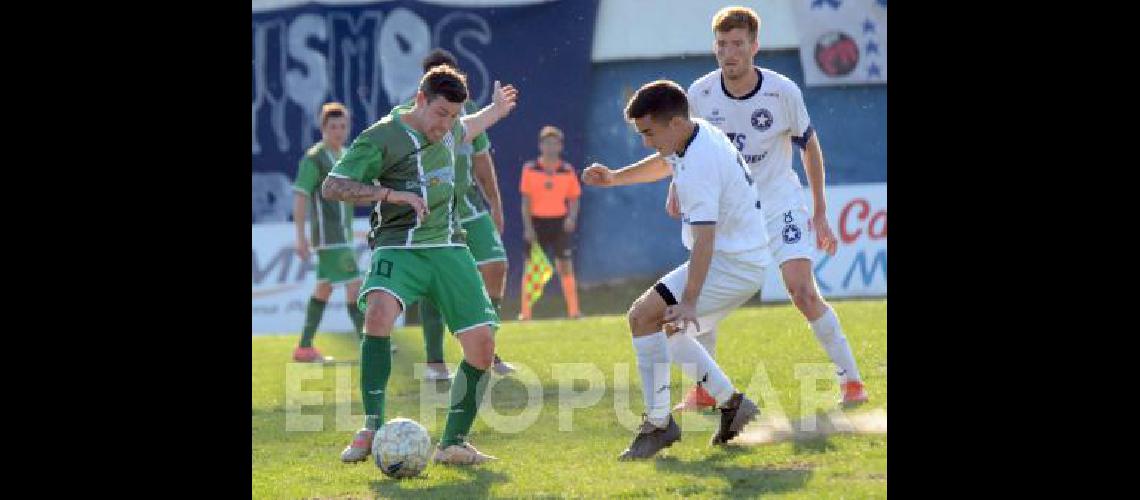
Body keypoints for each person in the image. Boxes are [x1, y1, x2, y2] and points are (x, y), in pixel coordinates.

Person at [630, 6, 868, 409]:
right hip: (731, 212)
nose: (729, 53)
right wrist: (676, 183)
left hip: (778, 204)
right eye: (722, 45)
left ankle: (852, 381)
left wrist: (820, 210)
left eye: (738, 44)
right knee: (702, 290)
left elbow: (808, 145)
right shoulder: (700, 94)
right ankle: (706, 389)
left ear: (755, 46)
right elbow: (682, 147)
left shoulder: (782, 92)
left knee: (801, 290)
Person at [322, 65, 518, 465]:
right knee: (377, 315)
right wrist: (390, 194)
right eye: (441, 113)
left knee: (482, 347)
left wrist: (496, 110)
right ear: (421, 100)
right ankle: (371, 426)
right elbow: (333, 186)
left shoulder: (451, 129)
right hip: (398, 246)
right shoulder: (381, 137)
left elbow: (473, 125)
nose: (446, 126)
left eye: (453, 116)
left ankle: (453, 444)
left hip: (449, 247)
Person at [582, 80, 762, 460]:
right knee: (667, 327)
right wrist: (615, 177)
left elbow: (705, 241)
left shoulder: (698, 164)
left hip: (731, 263)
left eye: (648, 132)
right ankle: (732, 405)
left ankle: (659, 425)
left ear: (675, 122)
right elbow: (664, 163)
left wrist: (691, 300)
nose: (645, 141)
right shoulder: (694, 135)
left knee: (642, 316)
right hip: (740, 259)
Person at [413, 49, 516, 380]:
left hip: (469, 206)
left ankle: (486, 350)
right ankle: (433, 360)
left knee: (496, 266)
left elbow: (482, 161)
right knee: (432, 280)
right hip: (432, 210)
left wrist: (496, 204)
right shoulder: (411, 115)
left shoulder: (470, 113)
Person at [290, 102, 365, 362]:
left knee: (324, 289)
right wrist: (300, 236)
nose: (339, 131)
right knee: (355, 284)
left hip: (341, 235)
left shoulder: (345, 155)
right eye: (333, 127)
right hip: (328, 237)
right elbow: (300, 196)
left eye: (343, 126)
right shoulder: (315, 158)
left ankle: (304, 348)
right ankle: (369, 345)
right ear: (323, 128)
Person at [518, 125, 582, 320]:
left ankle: (574, 312)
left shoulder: (566, 170)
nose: (551, 147)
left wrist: (571, 217)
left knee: (565, 265)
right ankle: (526, 314)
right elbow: (526, 202)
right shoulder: (530, 169)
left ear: (560, 146)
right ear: (540, 146)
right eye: (547, 143)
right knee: (531, 267)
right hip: (536, 223)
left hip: (559, 223)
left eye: (554, 143)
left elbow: (574, 198)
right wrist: (528, 227)